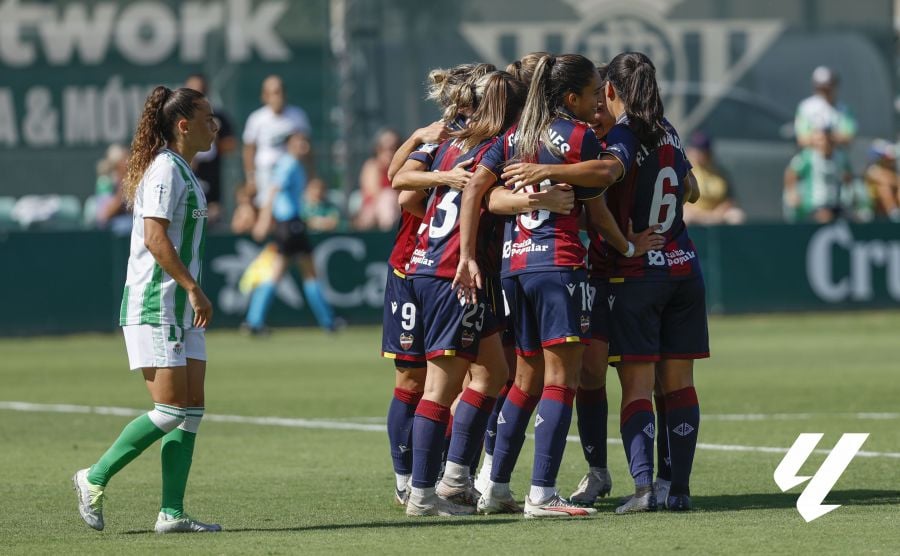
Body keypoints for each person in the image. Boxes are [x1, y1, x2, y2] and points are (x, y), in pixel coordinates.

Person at [496, 51, 707, 513]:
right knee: (673, 383)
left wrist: (548, 172)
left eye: (599, 93)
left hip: (630, 272)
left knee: (611, 379)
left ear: (610, 91)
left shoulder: (620, 136)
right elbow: (692, 189)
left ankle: (646, 487)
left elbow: (606, 177)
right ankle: (673, 488)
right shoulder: (666, 128)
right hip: (682, 264)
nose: (596, 104)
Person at [456, 53, 614, 518]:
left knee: (524, 381)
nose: (595, 104)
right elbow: (606, 173)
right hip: (558, 266)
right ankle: (542, 493)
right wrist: (554, 173)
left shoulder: (513, 136)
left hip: (513, 267)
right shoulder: (579, 137)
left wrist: (467, 255)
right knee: (561, 380)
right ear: (570, 97)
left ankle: (495, 485)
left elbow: (475, 190)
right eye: (590, 95)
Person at [73, 86, 221, 533]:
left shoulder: (186, 171)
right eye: (207, 118)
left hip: (180, 306)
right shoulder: (164, 171)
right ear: (183, 125)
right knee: (171, 408)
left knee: (191, 408)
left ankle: (171, 512)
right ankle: (93, 477)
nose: (214, 125)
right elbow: (156, 239)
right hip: (157, 303)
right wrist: (193, 287)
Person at [393, 70, 526, 517]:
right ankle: (424, 495)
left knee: (492, 370)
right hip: (454, 274)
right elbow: (482, 199)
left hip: (437, 266)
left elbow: (407, 193)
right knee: (440, 385)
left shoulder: (455, 141)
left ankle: (452, 479)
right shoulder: (496, 145)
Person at [242, 132, 338, 333]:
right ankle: (328, 321)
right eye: (298, 141)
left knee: (279, 273)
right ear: (289, 145)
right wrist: (263, 220)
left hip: (289, 225)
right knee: (308, 274)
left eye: (305, 141)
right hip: (291, 225)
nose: (303, 145)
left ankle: (254, 320)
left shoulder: (292, 164)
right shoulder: (290, 164)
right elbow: (274, 191)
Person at [242, 75, 317, 211]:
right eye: (274, 93)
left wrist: (311, 176)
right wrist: (251, 178)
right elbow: (249, 150)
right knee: (266, 211)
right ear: (265, 96)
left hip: (292, 175)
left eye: (280, 91)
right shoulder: (256, 119)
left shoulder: (298, 116)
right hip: (266, 174)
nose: (278, 96)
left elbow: (308, 148)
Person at [184, 73, 237, 226]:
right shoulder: (176, 118)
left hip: (210, 188)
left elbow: (230, 145)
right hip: (185, 185)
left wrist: (215, 137)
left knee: (207, 218)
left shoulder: (217, 117)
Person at [783, 128, 854, 223]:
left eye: (827, 139)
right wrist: (792, 192)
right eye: (821, 140)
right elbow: (791, 172)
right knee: (825, 217)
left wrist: (849, 193)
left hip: (836, 203)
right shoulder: (807, 156)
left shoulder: (841, 157)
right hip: (814, 205)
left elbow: (848, 176)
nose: (824, 143)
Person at [682, 131, 745, 225]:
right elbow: (677, 200)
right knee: (683, 216)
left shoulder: (720, 172)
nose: (699, 154)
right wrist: (698, 214)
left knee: (737, 216)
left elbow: (730, 199)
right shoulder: (682, 171)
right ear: (689, 151)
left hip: (717, 214)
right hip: (692, 214)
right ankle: (683, 240)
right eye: (696, 150)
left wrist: (716, 214)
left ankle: (730, 240)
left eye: (702, 150)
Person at [794, 66, 857, 148]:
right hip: (811, 158)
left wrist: (829, 137)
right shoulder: (806, 108)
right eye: (820, 89)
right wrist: (820, 138)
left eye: (828, 89)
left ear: (835, 87)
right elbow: (801, 139)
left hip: (837, 157)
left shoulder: (845, 110)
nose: (824, 93)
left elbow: (849, 138)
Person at [354, 129, 402, 231]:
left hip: (398, 210)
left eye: (395, 148)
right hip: (373, 211)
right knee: (388, 197)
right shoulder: (372, 166)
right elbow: (374, 193)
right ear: (378, 149)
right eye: (386, 148)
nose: (390, 152)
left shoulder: (403, 168)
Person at [94, 144, 133, 235]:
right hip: (112, 236)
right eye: (124, 162)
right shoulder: (105, 183)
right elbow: (103, 217)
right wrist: (122, 189)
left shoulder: (134, 183)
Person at [864, 140, 900, 221]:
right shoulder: (872, 169)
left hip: (885, 207)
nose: (890, 160)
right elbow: (885, 179)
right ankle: (893, 212)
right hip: (872, 207)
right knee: (883, 187)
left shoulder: (891, 169)